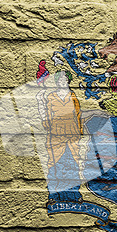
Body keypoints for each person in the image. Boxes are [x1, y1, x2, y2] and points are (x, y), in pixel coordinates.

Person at [43, 70, 83, 203]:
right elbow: (47, 116)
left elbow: (78, 115)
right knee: (55, 165)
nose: (62, 82)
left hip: (71, 135)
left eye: (65, 79)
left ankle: (74, 195)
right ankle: (54, 195)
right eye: (59, 80)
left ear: (68, 81)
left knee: (72, 164)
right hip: (56, 135)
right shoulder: (51, 97)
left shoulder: (72, 96)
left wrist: (79, 132)